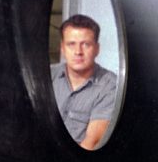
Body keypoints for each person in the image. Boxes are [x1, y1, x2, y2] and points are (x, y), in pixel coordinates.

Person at [50, 14, 117, 150]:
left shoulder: (110, 86)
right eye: (71, 44)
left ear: (97, 49)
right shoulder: (48, 75)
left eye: (86, 44)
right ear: (62, 48)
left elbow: (91, 144)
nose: (78, 52)